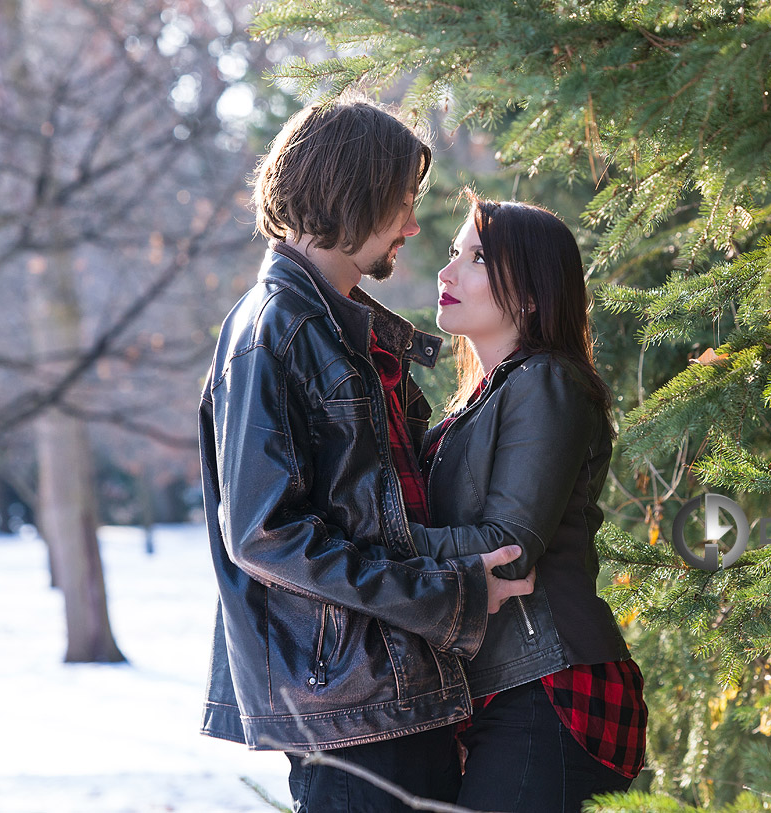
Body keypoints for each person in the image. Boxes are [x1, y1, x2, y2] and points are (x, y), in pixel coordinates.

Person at [197, 101, 535, 812]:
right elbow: (267, 534)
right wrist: (447, 595)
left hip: (391, 694)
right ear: (353, 196)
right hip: (352, 706)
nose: (413, 227)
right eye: (401, 204)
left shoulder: (340, 328)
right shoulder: (275, 333)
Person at [408, 193, 649, 811]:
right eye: (455, 252)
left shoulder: (547, 379)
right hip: (503, 685)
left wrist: (378, 541)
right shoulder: (480, 399)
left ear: (534, 291)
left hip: (552, 683)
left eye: (478, 257)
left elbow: (506, 549)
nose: (447, 271)